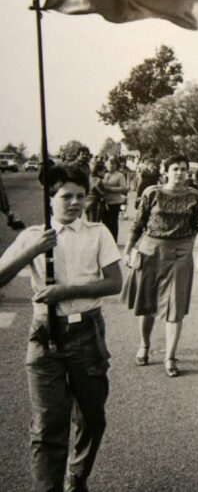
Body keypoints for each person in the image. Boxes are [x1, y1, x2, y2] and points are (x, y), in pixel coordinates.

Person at [0, 165, 121, 491]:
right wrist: (33, 249)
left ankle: (77, 476)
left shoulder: (98, 232)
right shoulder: (32, 236)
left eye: (80, 196)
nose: (75, 203)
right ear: (49, 198)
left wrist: (65, 291)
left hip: (86, 333)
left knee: (92, 418)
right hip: (44, 336)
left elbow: (114, 283)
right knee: (47, 426)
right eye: (66, 196)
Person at [122, 155, 198, 377]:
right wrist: (128, 249)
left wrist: (186, 245)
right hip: (151, 249)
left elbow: (194, 225)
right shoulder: (152, 193)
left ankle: (170, 357)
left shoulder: (194, 196)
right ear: (165, 171)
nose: (180, 173)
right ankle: (144, 345)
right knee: (147, 301)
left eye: (183, 169)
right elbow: (138, 223)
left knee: (176, 304)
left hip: (180, 251)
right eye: (175, 169)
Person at [101, 157, 128, 241]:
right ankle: (106, 240)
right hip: (104, 202)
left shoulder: (120, 175)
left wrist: (110, 189)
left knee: (113, 222)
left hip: (115, 202)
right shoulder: (104, 175)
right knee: (105, 222)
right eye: (109, 164)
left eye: (113, 164)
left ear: (116, 165)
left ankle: (113, 240)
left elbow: (124, 188)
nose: (111, 166)